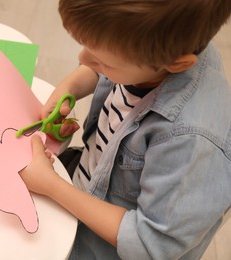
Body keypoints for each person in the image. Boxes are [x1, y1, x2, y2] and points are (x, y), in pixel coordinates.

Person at [19, 0, 231, 259]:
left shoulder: (189, 141)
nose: (82, 58)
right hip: (86, 182)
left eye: (100, 60)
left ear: (176, 63)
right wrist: (70, 86)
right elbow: (107, 66)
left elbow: (149, 244)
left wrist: (50, 185)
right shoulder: (155, 48)